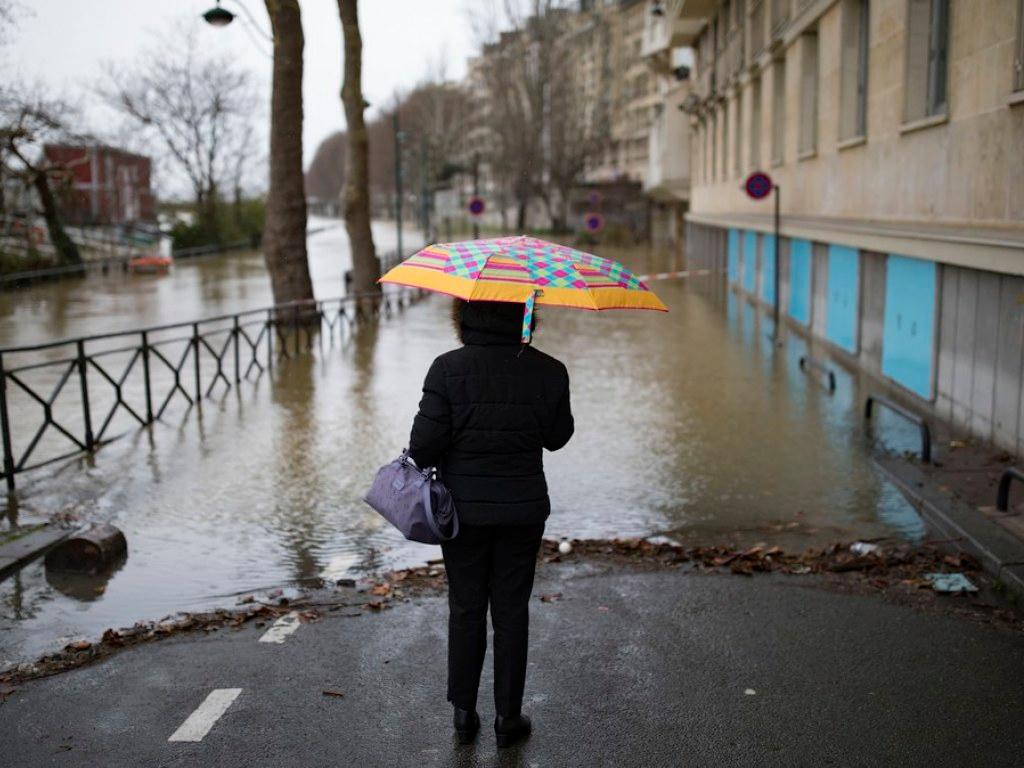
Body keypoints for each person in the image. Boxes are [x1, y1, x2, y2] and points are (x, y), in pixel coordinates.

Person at [408, 298, 574, 749]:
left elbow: (422, 447)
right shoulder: (550, 370)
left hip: (462, 513)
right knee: (511, 610)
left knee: (466, 607)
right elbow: (558, 438)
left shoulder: (446, 369)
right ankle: (508, 717)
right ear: (525, 315)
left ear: (464, 316)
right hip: (522, 511)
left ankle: (464, 714)